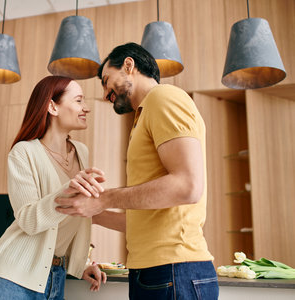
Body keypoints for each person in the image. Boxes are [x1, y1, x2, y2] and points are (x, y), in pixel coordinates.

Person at [55, 43, 219, 299]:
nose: (105, 94)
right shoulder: (144, 114)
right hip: (154, 271)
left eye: (106, 80)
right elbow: (146, 221)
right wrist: (92, 212)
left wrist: (103, 198)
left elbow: (188, 186)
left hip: (174, 270)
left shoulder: (164, 98)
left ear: (129, 66)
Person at [0, 75, 107, 300]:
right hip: (13, 277)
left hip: (55, 277)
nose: (86, 108)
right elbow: (28, 220)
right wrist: (65, 192)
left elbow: (77, 216)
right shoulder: (23, 153)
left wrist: (81, 263)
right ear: (52, 106)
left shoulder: (81, 152)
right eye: (79, 100)